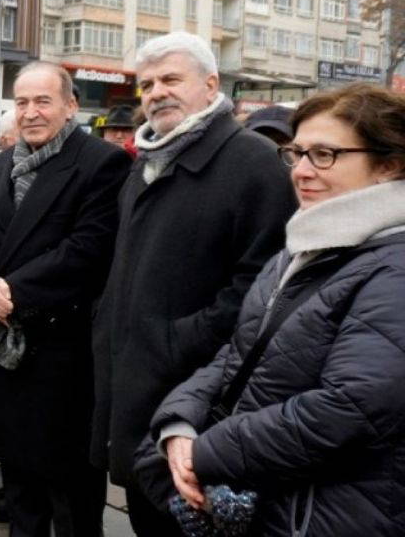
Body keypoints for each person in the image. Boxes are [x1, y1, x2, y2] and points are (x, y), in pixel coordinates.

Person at [135, 84, 405, 534]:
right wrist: (179, 423)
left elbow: (350, 408)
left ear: (389, 165)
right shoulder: (307, 244)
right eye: (296, 154)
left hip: (327, 515)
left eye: (324, 155)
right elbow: (242, 351)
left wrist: (204, 452)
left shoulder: (393, 265)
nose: (302, 171)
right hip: (267, 497)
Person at [90, 32, 296, 536]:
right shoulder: (148, 162)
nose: (156, 92)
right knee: (145, 514)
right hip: (138, 388)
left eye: (170, 79)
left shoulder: (252, 162)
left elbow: (263, 286)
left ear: (210, 84)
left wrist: (176, 339)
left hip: (199, 401)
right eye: (147, 85)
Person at [0, 63, 130, 537]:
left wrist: (11, 290)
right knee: (18, 479)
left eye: (43, 101)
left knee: (71, 487)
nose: (31, 112)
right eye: (22, 102)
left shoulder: (102, 162)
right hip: (6, 349)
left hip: (64, 352)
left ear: (70, 106)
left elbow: (88, 248)